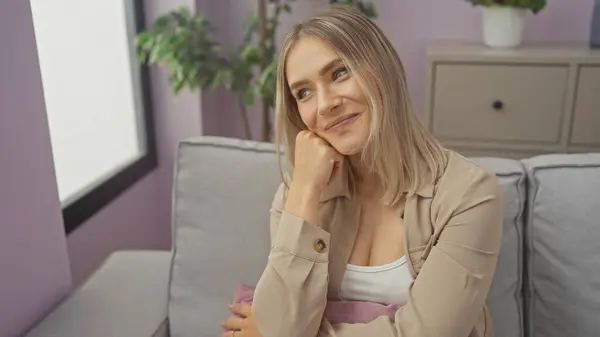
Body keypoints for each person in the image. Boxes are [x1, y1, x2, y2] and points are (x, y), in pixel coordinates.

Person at [221, 4, 503, 337]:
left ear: (382, 68)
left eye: (339, 73)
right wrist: (305, 193)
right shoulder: (297, 195)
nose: (325, 104)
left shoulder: (469, 193)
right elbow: (280, 326)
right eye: (304, 92)